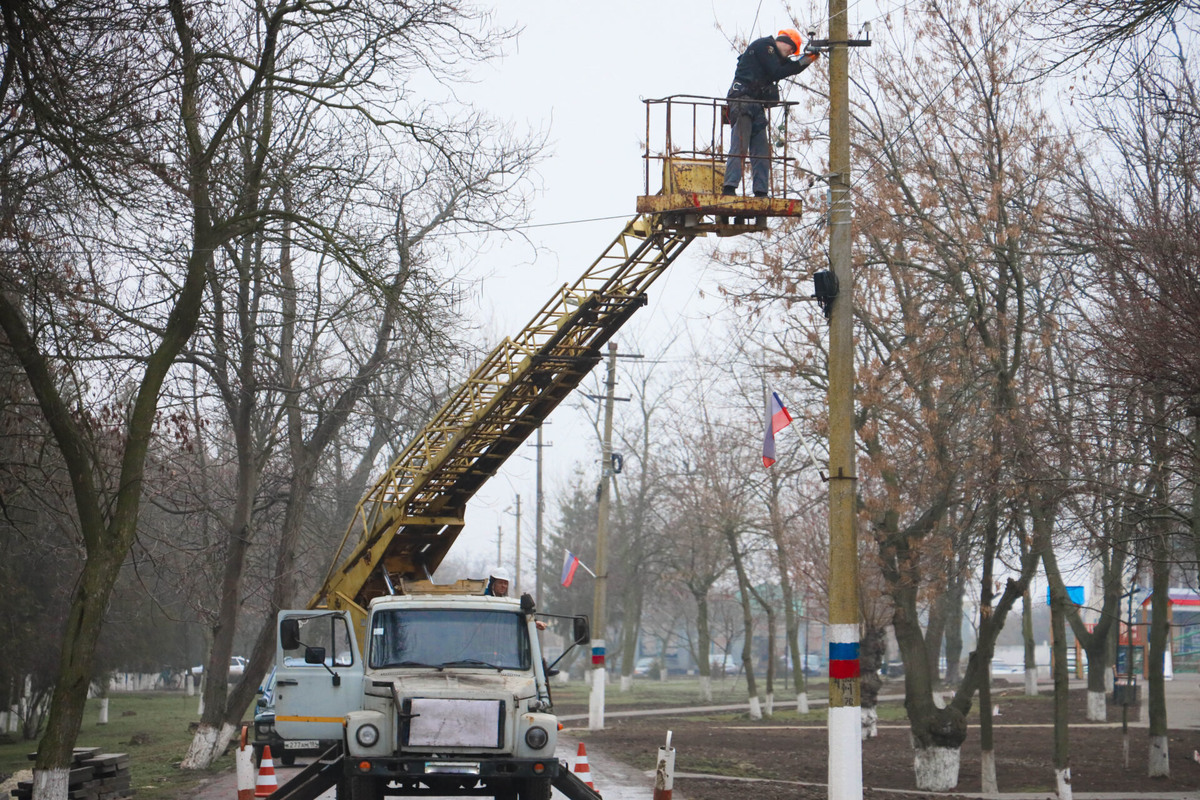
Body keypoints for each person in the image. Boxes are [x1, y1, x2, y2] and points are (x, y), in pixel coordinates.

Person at [722, 28, 819, 197]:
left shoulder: (773, 57)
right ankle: (729, 187)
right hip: (742, 100)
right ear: (785, 42)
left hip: (756, 104)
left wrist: (807, 59)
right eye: (791, 49)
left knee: (761, 151)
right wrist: (803, 60)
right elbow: (777, 71)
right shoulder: (765, 46)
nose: (791, 53)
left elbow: (789, 68)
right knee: (740, 145)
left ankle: (761, 191)